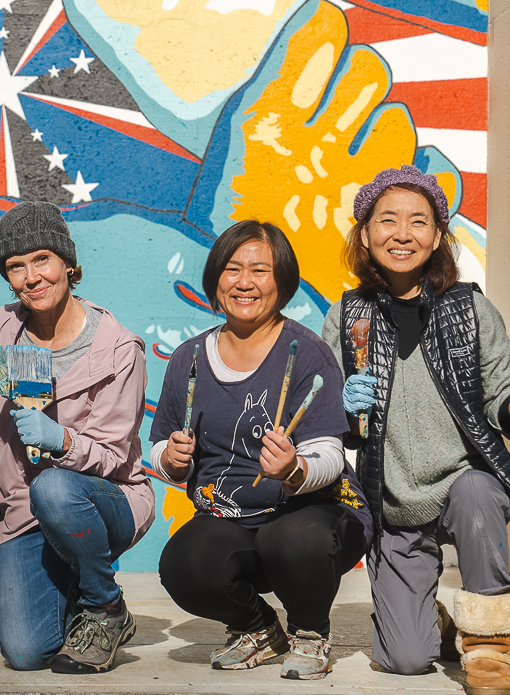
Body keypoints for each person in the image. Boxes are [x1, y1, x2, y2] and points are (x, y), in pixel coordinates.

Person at [322, 165, 510, 695]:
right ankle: (440, 622)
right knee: (406, 660)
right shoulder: (346, 317)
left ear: (437, 237)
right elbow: (334, 427)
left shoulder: (471, 310)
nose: (403, 233)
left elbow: (504, 408)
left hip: (464, 486)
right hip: (392, 505)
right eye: (387, 220)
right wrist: (342, 408)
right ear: (365, 234)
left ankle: (489, 647)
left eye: (419, 221)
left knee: (480, 491)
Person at [152, 220, 372, 681]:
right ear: (215, 278)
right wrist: (169, 460)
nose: (244, 282)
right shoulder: (189, 358)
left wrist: (294, 469)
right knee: (182, 563)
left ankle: (311, 632)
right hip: (231, 517)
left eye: (260, 270)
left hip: (315, 514)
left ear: (283, 281)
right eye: (233, 269)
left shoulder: (306, 353)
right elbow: (162, 449)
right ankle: (257, 629)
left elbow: (331, 456)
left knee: (290, 538)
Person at [0, 202, 154, 674]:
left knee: (54, 487)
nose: (30, 276)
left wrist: (59, 438)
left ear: (68, 263)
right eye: (15, 267)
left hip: (106, 499)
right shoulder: (4, 326)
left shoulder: (119, 349)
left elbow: (113, 455)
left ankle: (105, 607)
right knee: (24, 653)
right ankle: (74, 589)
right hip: (25, 510)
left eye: (42, 259)